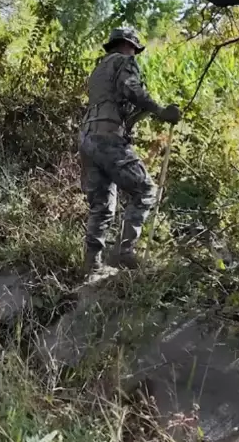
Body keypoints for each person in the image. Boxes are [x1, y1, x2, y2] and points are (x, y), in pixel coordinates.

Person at [78, 27, 181, 275]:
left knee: (101, 205)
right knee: (146, 189)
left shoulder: (99, 70)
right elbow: (131, 89)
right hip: (108, 137)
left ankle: (92, 265)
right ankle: (124, 252)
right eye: (135, 50)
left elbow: (116, 103)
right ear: (130, 46)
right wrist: (161, 111)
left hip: (87, 138)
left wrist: (137, 119)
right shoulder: (125, 62)